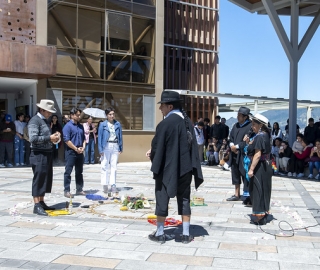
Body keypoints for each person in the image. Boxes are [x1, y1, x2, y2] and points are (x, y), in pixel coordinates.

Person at [145, 91, 203, 244]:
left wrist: (153, 155)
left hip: (167, 169)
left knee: (162, 197)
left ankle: (160, 233)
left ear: (170, 106)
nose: (160, 109)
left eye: (162, 105)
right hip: (185, 169)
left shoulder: (165, 124)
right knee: (184, 199)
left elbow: (158, 147)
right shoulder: (187, 122)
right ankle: (185, 234)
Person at [28, 99, 61, 216]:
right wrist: (49, 138)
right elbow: (33, 139)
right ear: (42, 110)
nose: (50, 114)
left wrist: (55, 137)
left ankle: (41, 202)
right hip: (38, 154)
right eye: (48, 111)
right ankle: (36, 205)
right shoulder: (34, 121)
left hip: (47, 152)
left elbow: (47, 137)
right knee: (39, 178)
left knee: (45, 178)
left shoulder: (45, 121)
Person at [245, 113, 272, 225]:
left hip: (260, 167)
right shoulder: (263, 135)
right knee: (263, 189)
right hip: (265, 165)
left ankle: (260, 216)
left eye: (254, 124)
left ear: (261, 125)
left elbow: (257, 154)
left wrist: (251, 169)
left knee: (258, 190)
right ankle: (263, 213)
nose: (252, 126)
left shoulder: (260, 136)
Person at [227, 106, 252, 201]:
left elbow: (247, 140)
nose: (238, 117)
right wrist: (232, 145)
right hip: (234, 154)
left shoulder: (250, 126)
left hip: (243, 154)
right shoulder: (236, 125)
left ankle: (247, 194)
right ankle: (236, 194)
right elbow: (231, 137)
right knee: (235, 173)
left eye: (240, 115)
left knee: (244, 173)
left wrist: (237, 147)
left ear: (245, 117)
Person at [98, 107, 123, 195]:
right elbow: (100, 137)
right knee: (104, 165)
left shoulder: (117, 124)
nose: (112, 116)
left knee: (114, 166)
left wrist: (120, 147)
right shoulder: (103, 125)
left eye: (113, 114)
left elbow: (120, 136)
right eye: (110, 114)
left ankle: (113, 185)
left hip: (115, 145)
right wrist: (100, 149)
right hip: (106, 146)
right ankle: (105, 184)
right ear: (106, 115)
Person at [63, 108, 86, 198]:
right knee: (68, 171)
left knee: (79, 171)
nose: (79, 116)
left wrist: (83, 147)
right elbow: (66, 140)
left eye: (79, 115)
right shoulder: (67, 126)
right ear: (72, 115)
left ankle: (79, 189)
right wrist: (75, 148)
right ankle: (67, 190)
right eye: (77, 115)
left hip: (80, 151)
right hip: (71, 152)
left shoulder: (81, 126)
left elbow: (84, 138)